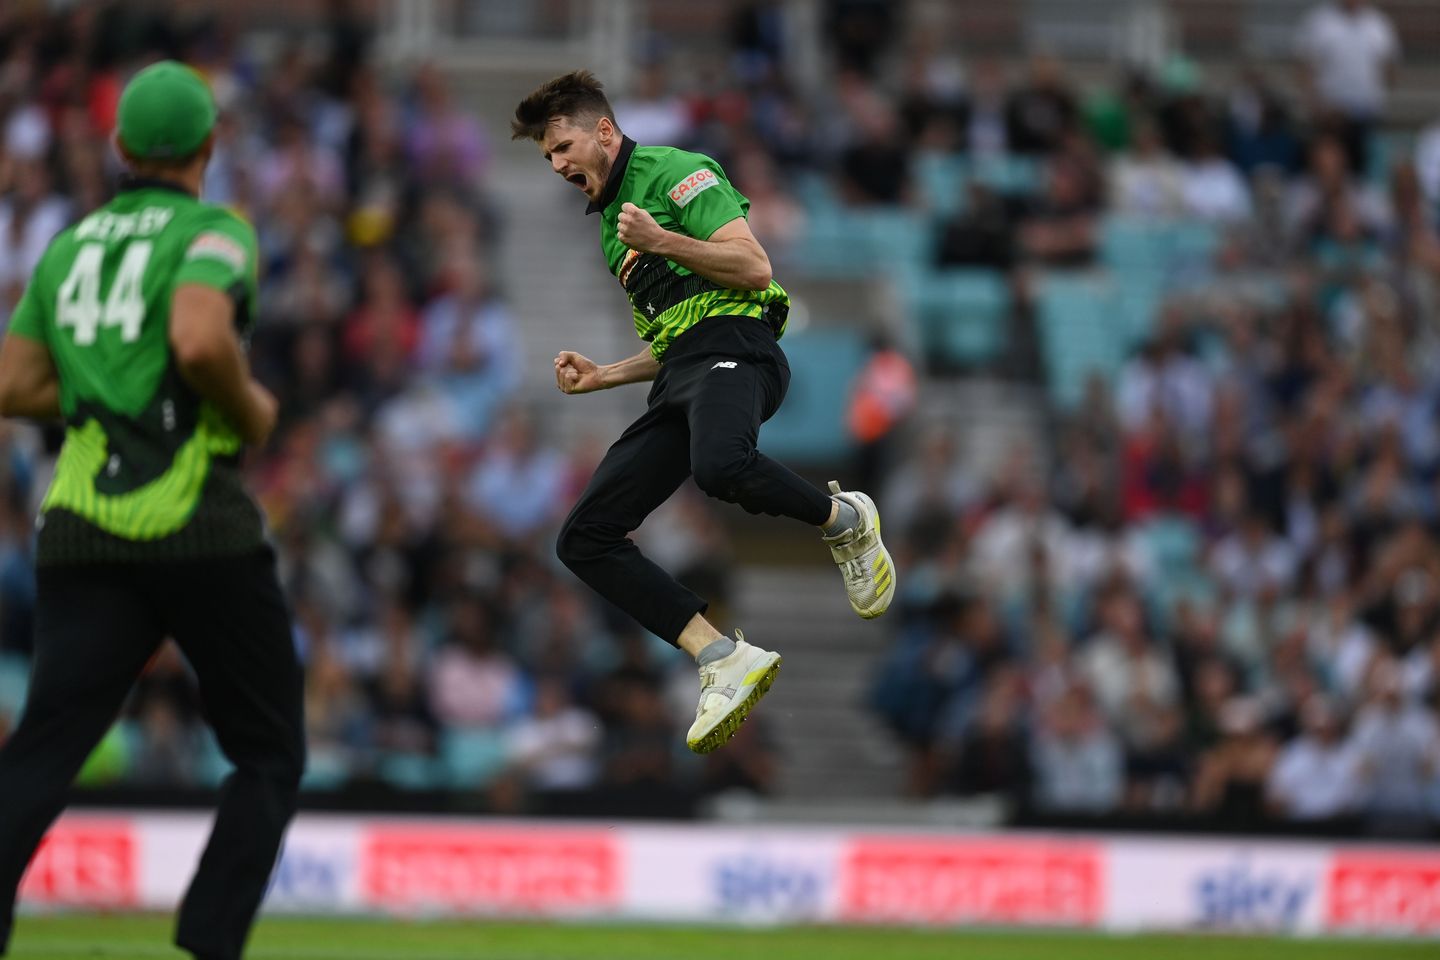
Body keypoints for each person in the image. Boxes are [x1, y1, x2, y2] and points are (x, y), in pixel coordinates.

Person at [0, 62, 304, 960]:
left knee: (44, 748)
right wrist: (249, 411)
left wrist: (104, 400)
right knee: (268, 753)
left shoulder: (68, 246)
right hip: (197, 522)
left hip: (81, 525)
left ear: (121, 147)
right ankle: (206, 946)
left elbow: (14, 385)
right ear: (209, 146)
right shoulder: (215, 232)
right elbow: (201, 337)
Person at [510, 71, 895, 755]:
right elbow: (670, 341)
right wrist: (606, 375)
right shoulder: (610, 233)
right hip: (686, 372)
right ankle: (719, 656)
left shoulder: (675, 172)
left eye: (563, 145)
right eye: (547, 157)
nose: (558, 164)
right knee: (584, 537)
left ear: (604, 131)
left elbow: (752, 268)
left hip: (741, 349)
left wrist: (663, 242)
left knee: (718, 466)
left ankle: (846, 519)